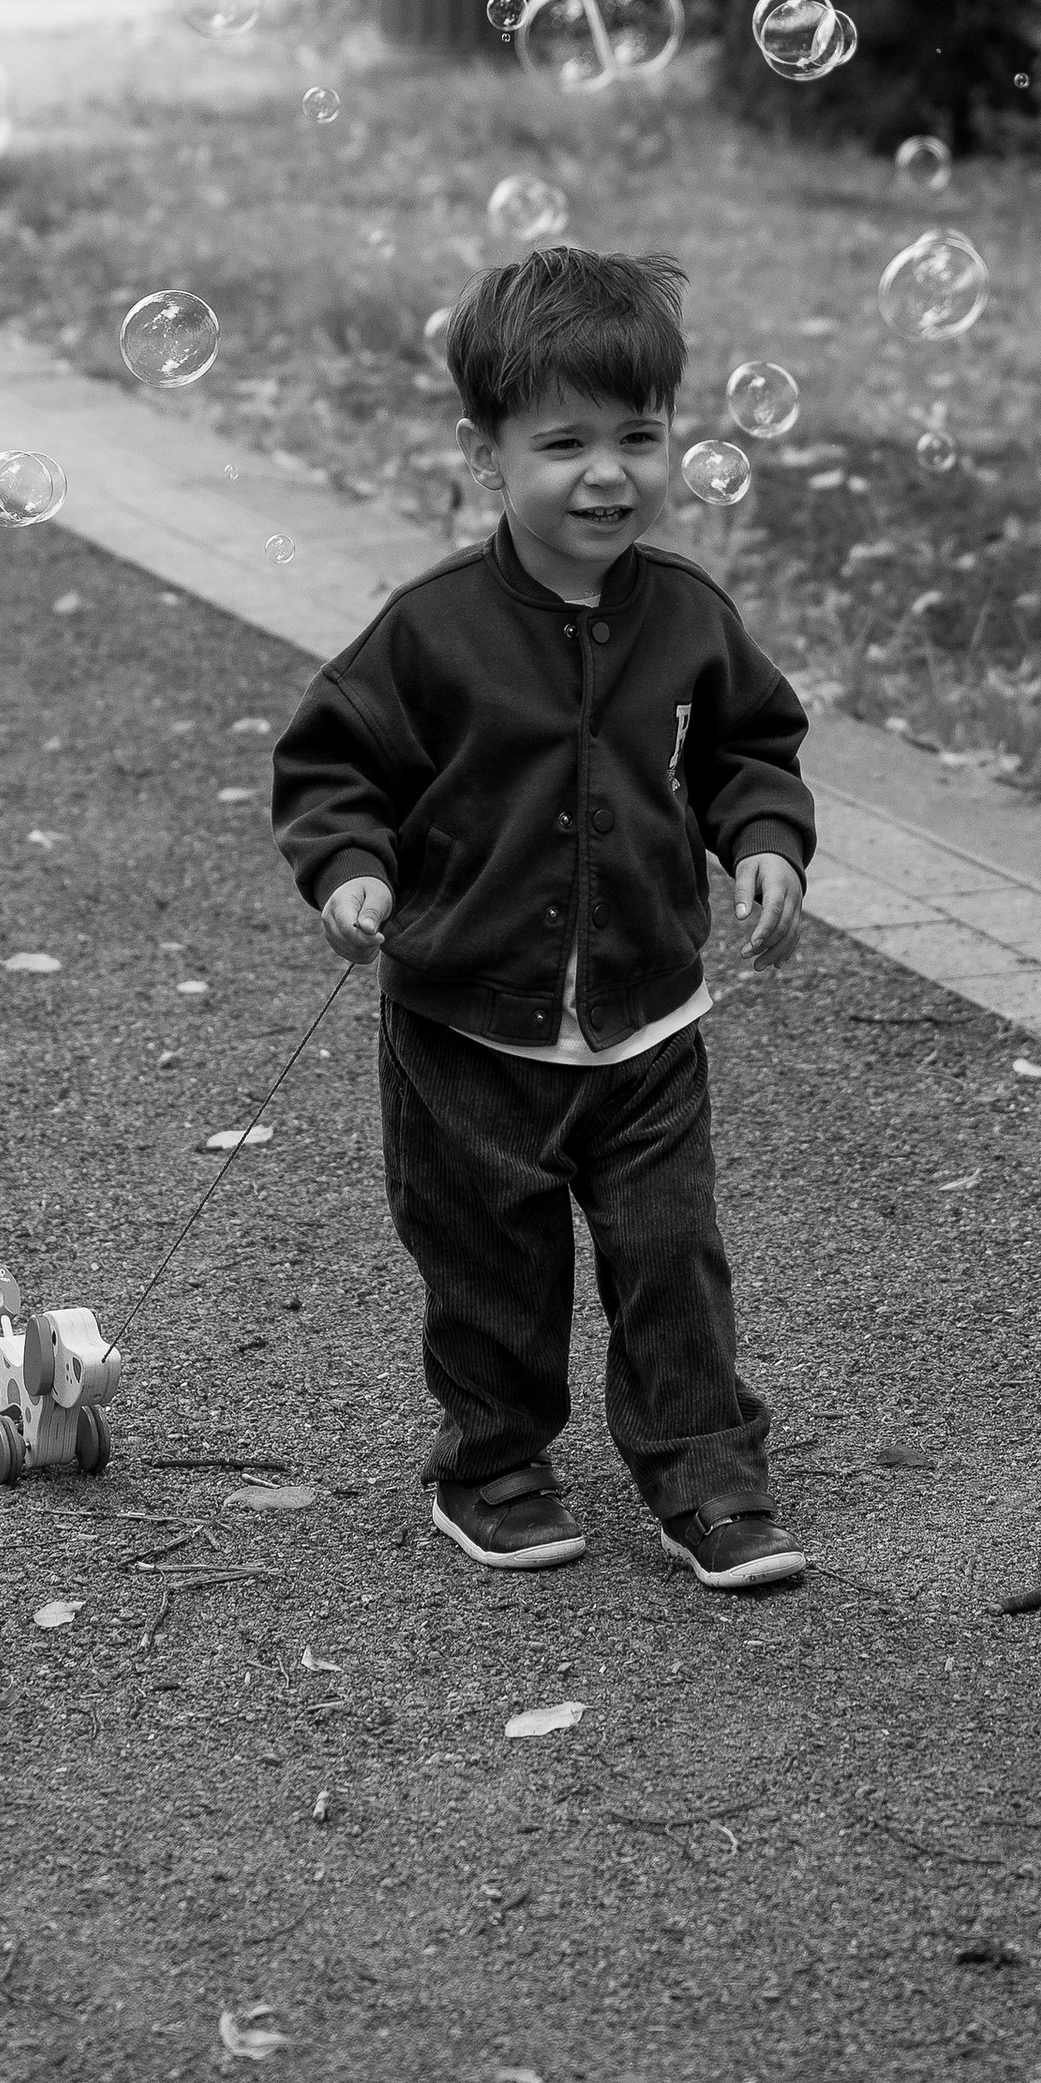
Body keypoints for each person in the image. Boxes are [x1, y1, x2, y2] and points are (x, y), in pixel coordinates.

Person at [272, 245, 816, 1594]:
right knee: (488, 1267)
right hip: (466, 1027)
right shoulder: (431, 630)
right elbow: (336, 766)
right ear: (485, 456)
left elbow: (748, 748)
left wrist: (763, 840)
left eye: (639, 435)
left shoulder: (688, 615)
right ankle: (493, 1463)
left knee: (671, 1256)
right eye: (564, 443)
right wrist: (350, 870)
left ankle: (708, 1476)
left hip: (646, 1020)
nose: (607, 473)